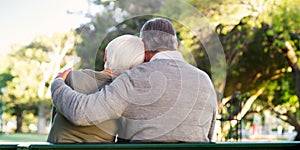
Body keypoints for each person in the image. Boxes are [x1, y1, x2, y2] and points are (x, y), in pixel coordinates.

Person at [51, 18, 217, 142]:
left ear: (144, 48)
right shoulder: (205, 80)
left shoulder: (134, 78)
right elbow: (209, 133)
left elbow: (81, 114)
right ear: (176, 45)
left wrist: (58, 83)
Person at [47, 34, 145, 143]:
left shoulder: (72, 77)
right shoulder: (127, 95)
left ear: (105, 56)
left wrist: (58, 81)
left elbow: (54, 119)